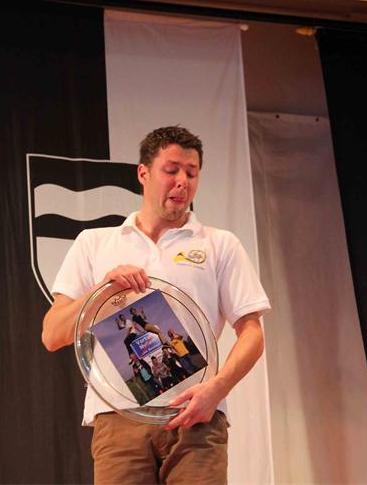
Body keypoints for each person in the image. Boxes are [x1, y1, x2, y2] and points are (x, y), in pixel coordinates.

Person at [41, 125, 270, 484]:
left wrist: (218, 388)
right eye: (171, 170)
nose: (182, 182)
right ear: (143, 173)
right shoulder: (95, 243)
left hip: (197, 415)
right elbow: (53, 334)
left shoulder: (219, 244)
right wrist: (102, 290)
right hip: (119, 417)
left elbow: (252, 333)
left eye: (191, 173)